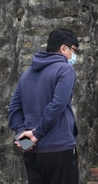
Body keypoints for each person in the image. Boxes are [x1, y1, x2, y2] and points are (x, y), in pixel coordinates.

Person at [8, 28, 80, 184]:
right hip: (59, 148)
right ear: (63, 48)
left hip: (32, 151)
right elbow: (57, 105)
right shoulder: (65, 69)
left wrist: (24, 138)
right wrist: (37, 134)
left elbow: (14, 109)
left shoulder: (26, 74)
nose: (73, 56)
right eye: (73, 50)